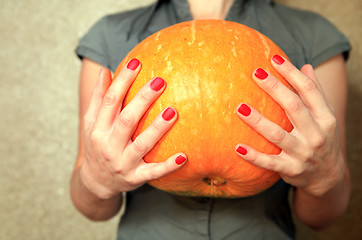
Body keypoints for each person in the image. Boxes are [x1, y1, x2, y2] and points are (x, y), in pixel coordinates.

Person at [71, 0, 351, 239]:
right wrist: (98, 181)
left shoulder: (314, 35)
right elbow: (94, 209)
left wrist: (322, 178)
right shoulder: (109, 34)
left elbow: (320, 218)